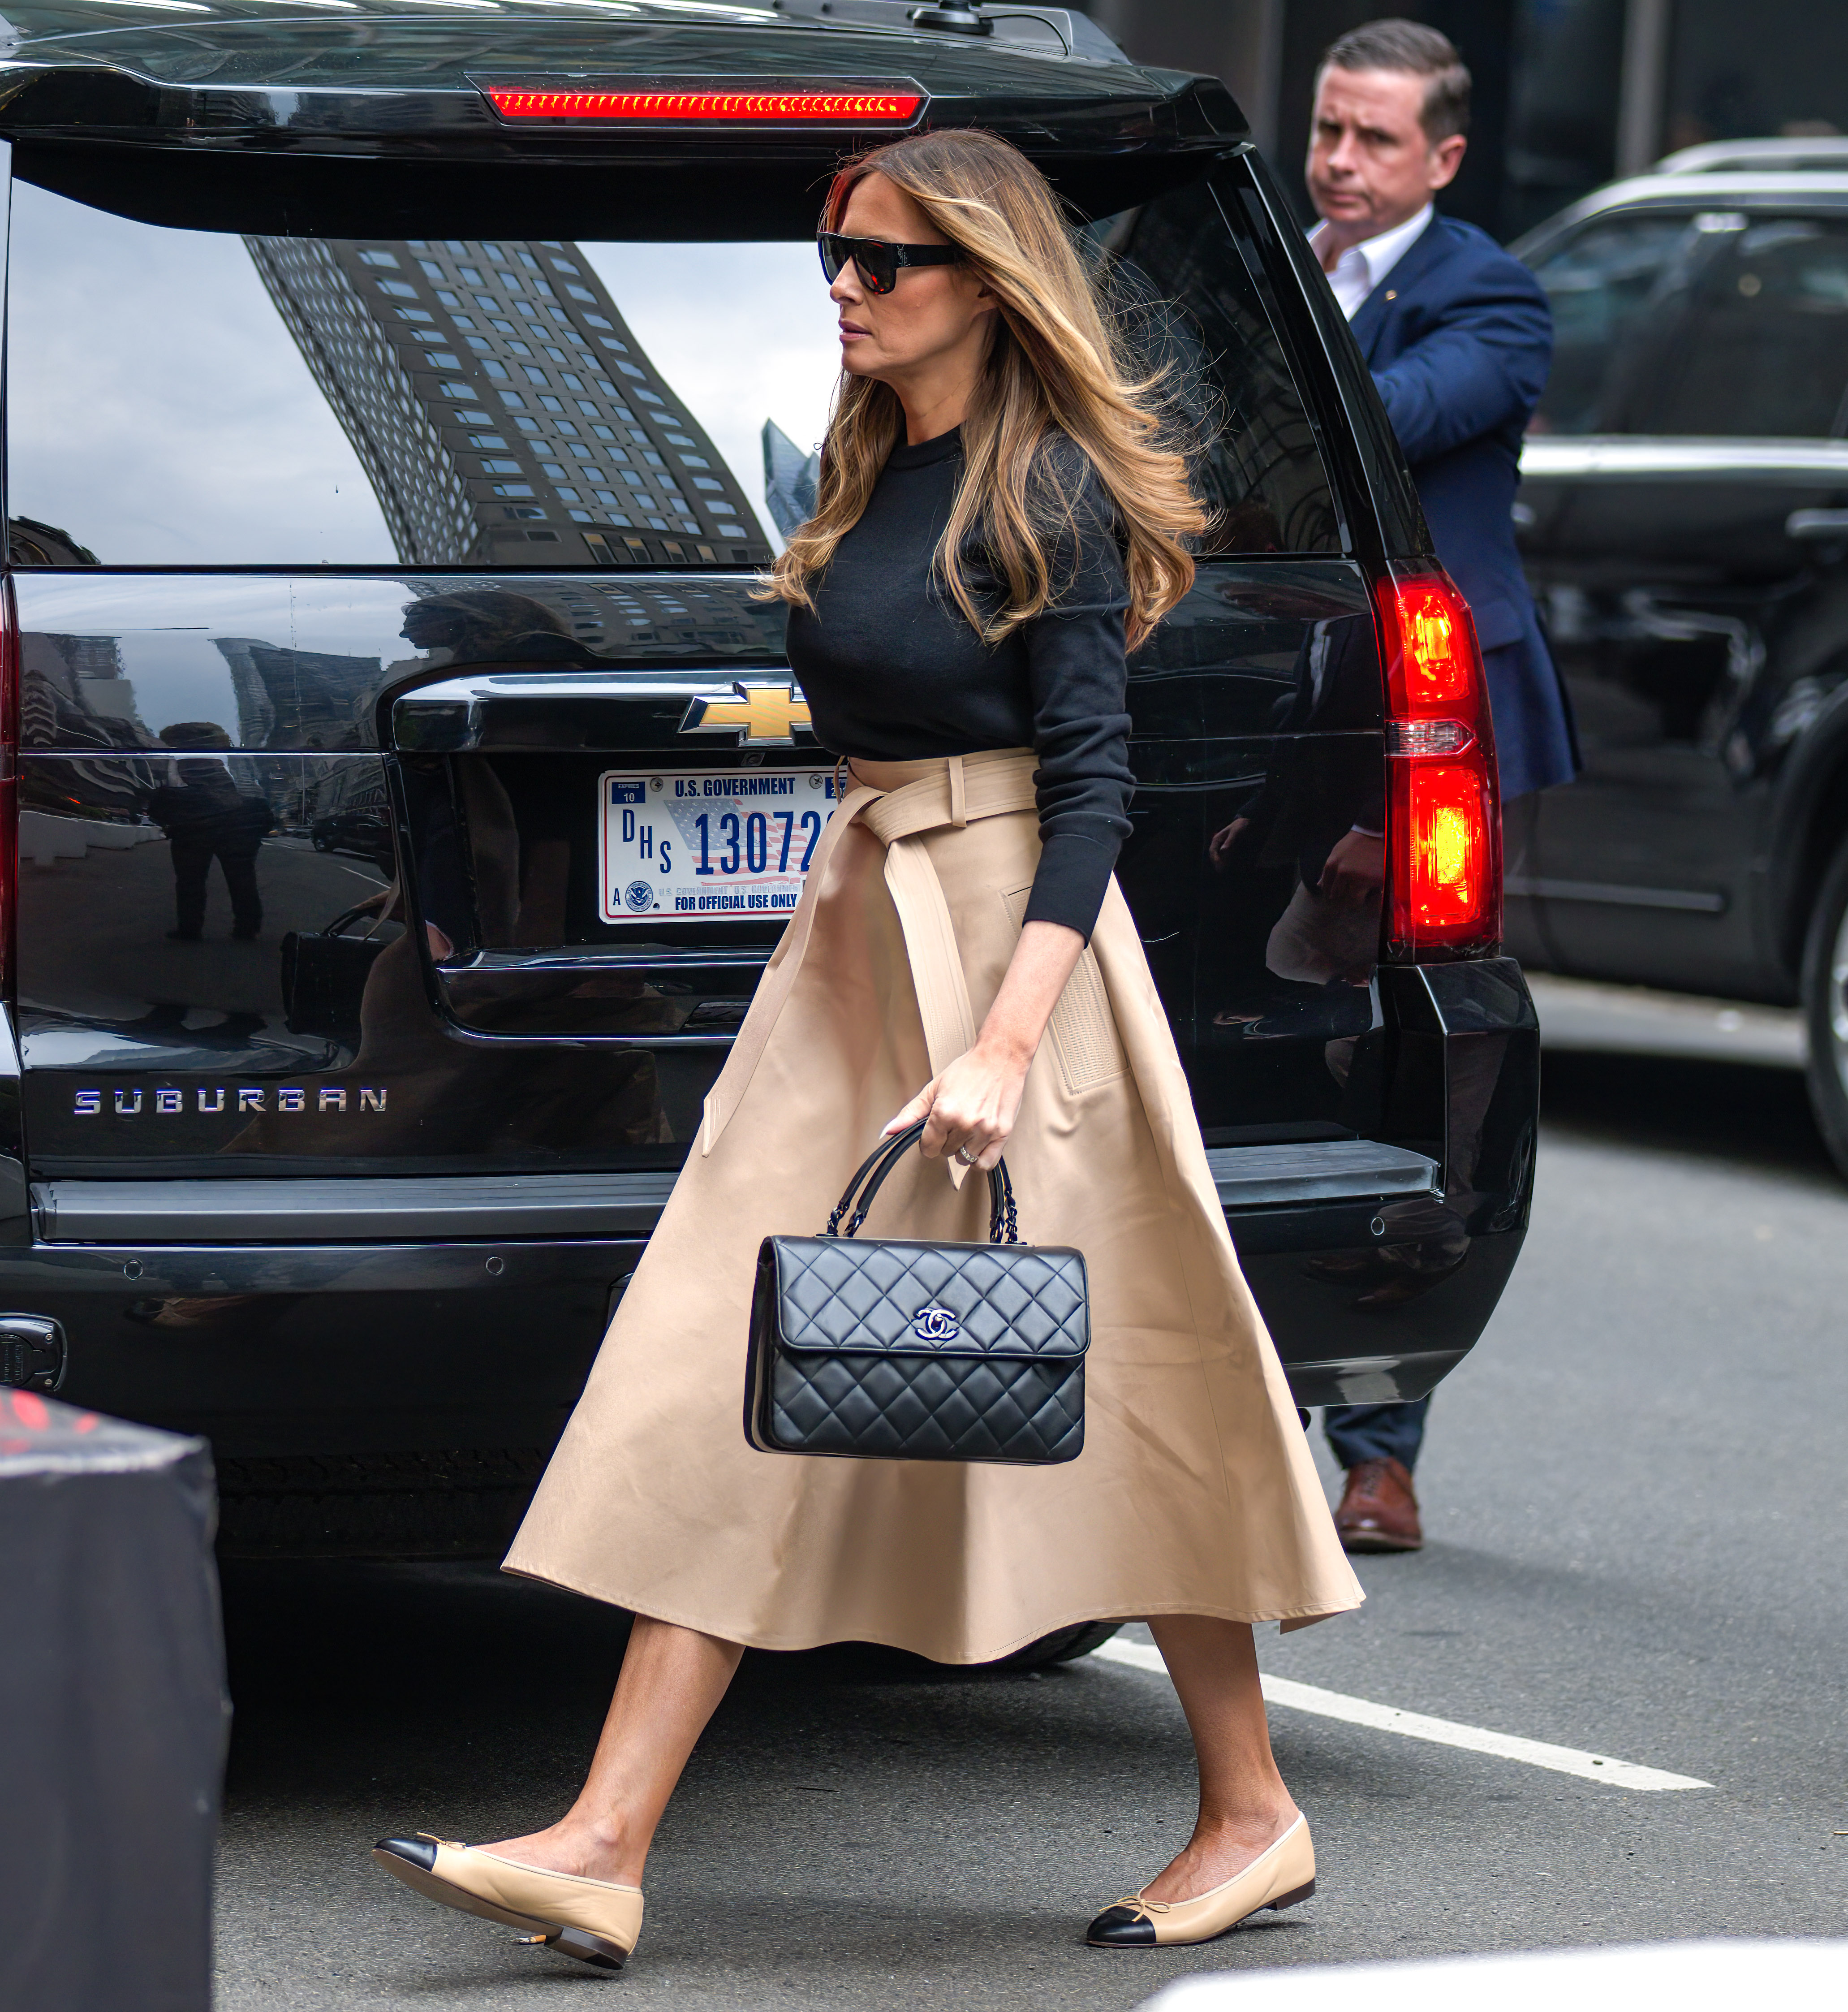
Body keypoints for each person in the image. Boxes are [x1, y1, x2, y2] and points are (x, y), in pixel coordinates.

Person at [368, 128, 1361, 1972]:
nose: (844, 285)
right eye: (834, 253)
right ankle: (602, 1838)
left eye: (886, 261)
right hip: (857, 937)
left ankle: (1247, 1811)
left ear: (984, 285)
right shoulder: (869, 462)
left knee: (1134, 1391)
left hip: (1011, 959)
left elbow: (1091, 793)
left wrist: (1001, 1041)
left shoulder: (1041, 489)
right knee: (715, 1353)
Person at [1305, 19, 1573, 1554]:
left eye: (1374, 141)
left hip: (1442, 729)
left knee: (1423, 1061)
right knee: (1262, 1043)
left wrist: (1265, 337)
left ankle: (1380, 1445)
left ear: (1442, 159)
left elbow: (1381, 429)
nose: (1339, 162)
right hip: (1284, 710)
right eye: (1329, 130)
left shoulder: (1487, 291)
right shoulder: (1285, 259)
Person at [145, 725, 276, 941]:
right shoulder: (224, 766)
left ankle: (190, 928)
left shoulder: (185, 765)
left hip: (193, 830)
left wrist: (173, 820)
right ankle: (247, 928)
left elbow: (163, 807)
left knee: (191, 882)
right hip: (234, 829)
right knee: (242, 880)